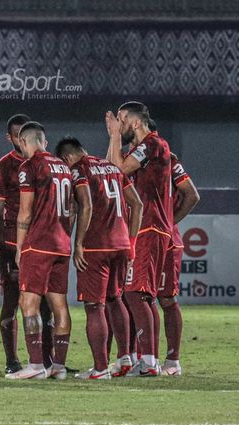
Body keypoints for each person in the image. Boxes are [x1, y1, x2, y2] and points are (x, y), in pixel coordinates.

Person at [56, 137, 143, 379]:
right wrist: (132, 242)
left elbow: (86, 205)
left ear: (66, 158)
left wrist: (79, 243)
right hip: (122, 245)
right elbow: (137, 204)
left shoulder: (78, 170)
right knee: (116, 299)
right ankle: (125, 358)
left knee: (94, 306)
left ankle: (101, 368)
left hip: (97, 247)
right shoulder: (112, 167)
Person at [106, 102, 174, 377]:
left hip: (149, 227)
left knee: (136, 293)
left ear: (134, 123)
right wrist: (113, 138)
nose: (118, 125)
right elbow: (112, 170)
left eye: (121, 120)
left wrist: (113, 137)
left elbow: (119, 170)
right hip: (145, 227)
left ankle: (148, 362)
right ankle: (147, 360)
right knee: (141, 294)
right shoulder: (141, 148)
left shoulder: (152, 144)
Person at [7, 122, 73, 380]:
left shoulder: (30, 166)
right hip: (62, 244)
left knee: (28, 302)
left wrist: (20, 247)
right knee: (60, 305)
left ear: (24, 142)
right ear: (44, 141)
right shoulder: (63, 167)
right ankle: (59, 366)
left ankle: (35, 365)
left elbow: (25, 212)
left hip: (40, 243)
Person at [0, 113, 55, 374]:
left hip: (41, 242)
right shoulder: (3, 167)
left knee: (46, 306)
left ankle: (46, 360)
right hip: (11, 243)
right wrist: (1, 250)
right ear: (10, 138)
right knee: (12, 302)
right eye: (16, 135)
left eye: (23, 135)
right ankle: (11, 360)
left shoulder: (44, 164)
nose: (21, 139)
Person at [157, 152, 200, 376]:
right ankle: (141, 359)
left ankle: (172, 360)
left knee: (166, 298)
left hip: (165, 242)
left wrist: (169, 222)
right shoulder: (128, 161)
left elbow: (192, 195)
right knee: (134, 297)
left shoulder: (168, 161)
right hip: (138, 240)